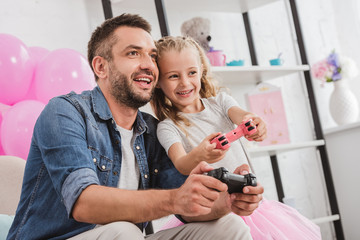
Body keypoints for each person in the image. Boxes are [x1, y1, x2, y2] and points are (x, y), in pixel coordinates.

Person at [6, 14, 264, 240]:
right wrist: (176, 198)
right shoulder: (65, 112)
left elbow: (188, 204)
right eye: (133, 53)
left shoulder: (151, 131)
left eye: (152, 56)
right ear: (101, 66)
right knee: (125, 231)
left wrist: (229, 200)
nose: (148, 64)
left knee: (228, 227)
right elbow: (84, 202)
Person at [151, 35, 321, 240]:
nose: (185, 82)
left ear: (201, 70)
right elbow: (182, 164)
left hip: (252, 206)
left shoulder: (221, 102)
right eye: (173, 76)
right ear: (158, 81)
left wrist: (254, 124)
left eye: (192, 72)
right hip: (214, 214)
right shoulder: (168, 127)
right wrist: (200, 154)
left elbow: (243, 116)